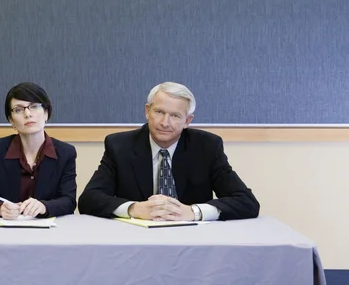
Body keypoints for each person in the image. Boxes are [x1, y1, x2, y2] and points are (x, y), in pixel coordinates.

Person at [78, 82, 259, 221]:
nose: (165, 122)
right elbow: (88, 200)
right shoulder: (119, 145)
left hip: (193, 240)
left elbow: (247, 202)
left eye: (175, 116)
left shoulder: (207, 146)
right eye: (159, 112)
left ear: (188, 121)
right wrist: (134, 209)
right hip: (136, 240)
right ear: (147, 111)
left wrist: (193, 212)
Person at [0, 82, 77, 219]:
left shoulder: (65, 153)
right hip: (5, 231)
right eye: (19, 110)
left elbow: (69, 201)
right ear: (11, 121)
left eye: (34, 107)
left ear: (46, 113)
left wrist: (44, 206)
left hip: (49, 233)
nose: (27, 114)